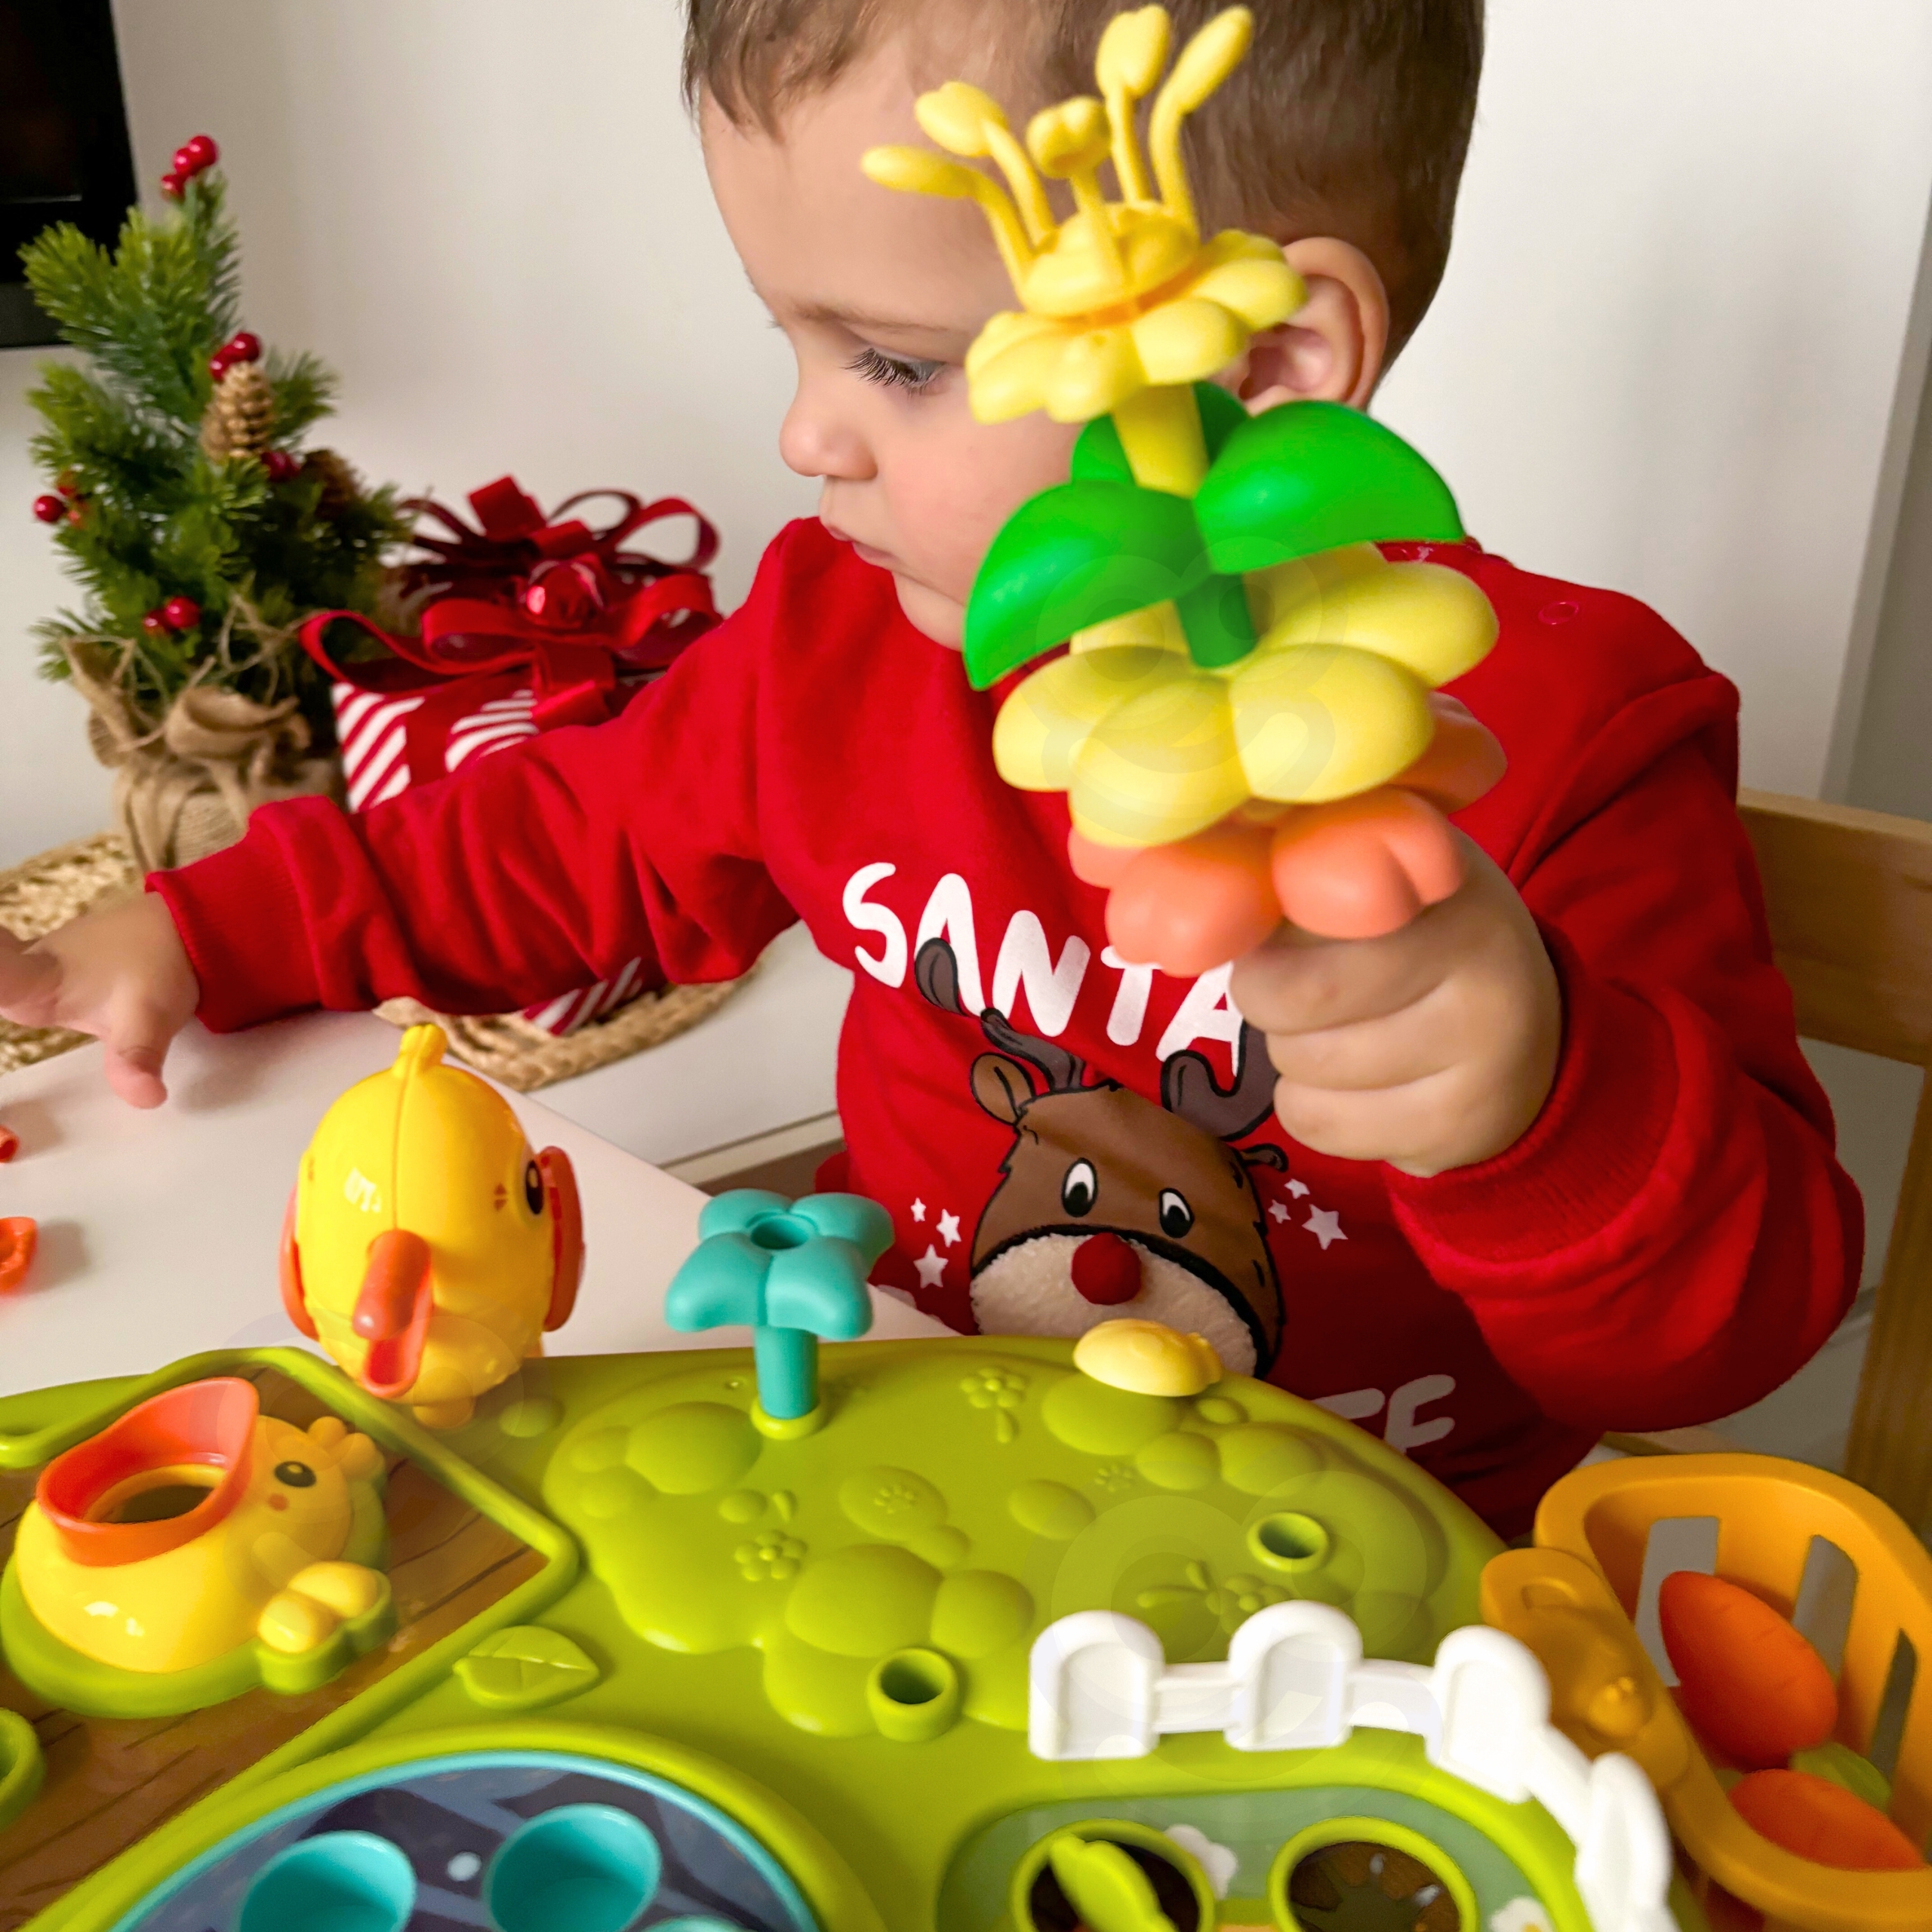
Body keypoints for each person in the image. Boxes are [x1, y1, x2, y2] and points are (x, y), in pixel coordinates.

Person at [0, 0, 1860, 1534]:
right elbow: (560, 841)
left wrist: (1540, 1094)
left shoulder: (1564, 729)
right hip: (909, 1452)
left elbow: (1729, 1340)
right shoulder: (836, 640)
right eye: (793, 336)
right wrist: (204, 932)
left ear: (1258, 359)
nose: (804, 432)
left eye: (894, 362)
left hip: (1362, 1569)